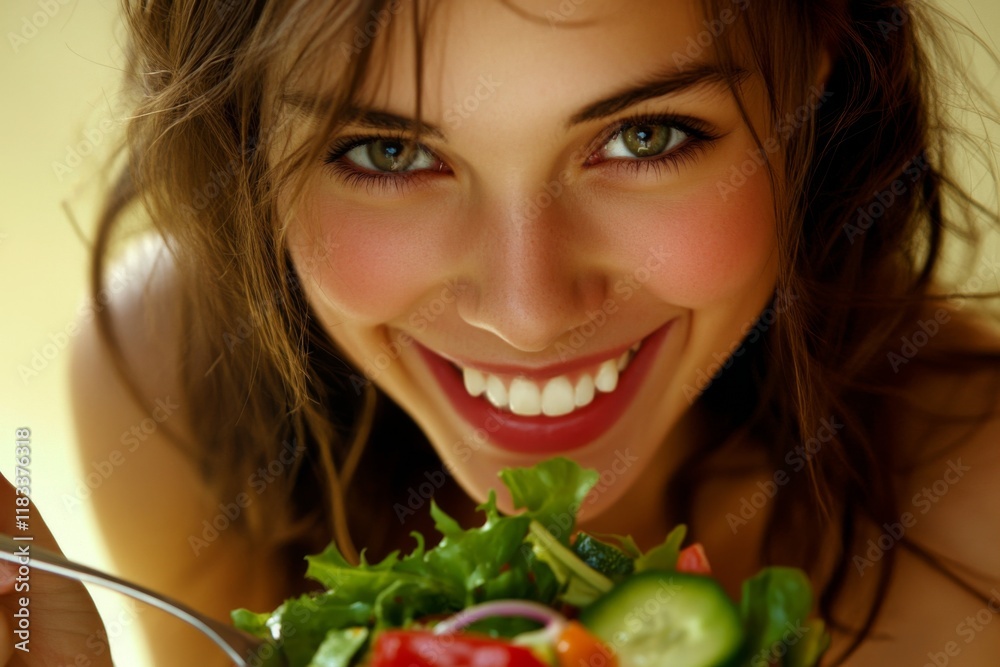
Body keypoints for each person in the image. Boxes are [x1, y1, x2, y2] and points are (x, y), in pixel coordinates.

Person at [6, 0, 1000, 664]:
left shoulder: (976, 526)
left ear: (818, 62)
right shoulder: (178, 381)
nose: (527, 313)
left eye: (643, 137)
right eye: (387, 152)